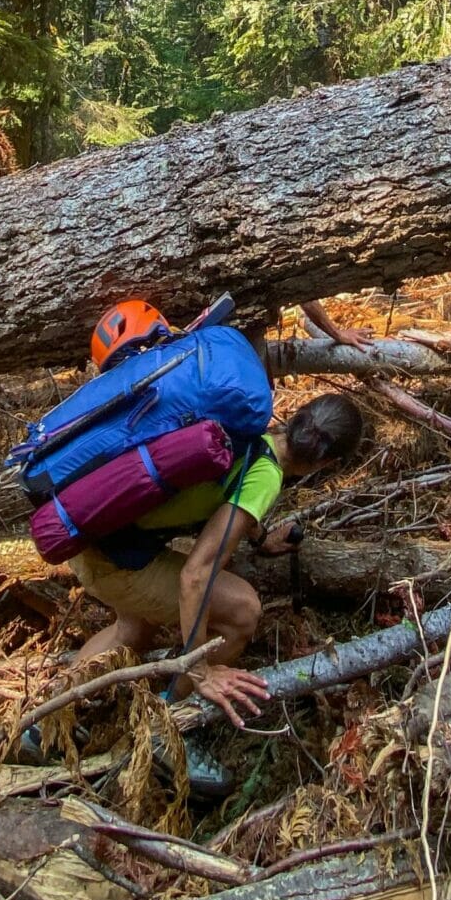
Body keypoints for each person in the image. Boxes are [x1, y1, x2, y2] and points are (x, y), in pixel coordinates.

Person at [67, 297, 367, 728]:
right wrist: (200, 667)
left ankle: (47, 722)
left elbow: (219, 493)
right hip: (114, 558)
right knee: (243, 611)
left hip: (94, 523)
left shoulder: (250, 427)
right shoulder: (266, 477)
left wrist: (260, 539)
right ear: (327, 463)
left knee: (132, 632)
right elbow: (195, 574)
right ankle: (172, 722)